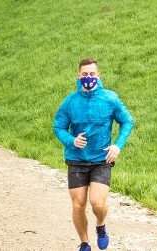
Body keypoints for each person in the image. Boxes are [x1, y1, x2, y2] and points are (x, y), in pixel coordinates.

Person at [53, 58, 134, 251]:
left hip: (101, 159)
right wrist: (71, 140)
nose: (88, 77)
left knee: (97, 203)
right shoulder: (70, 102)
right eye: (84, 74)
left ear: (98, 76)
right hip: (76, 159)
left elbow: (127, 121)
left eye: (92, 74)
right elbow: (58, 126)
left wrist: (118, 145)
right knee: (78, 204)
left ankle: (101, 225)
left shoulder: (110, 98)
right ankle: (84, 242)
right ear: (78, 76)